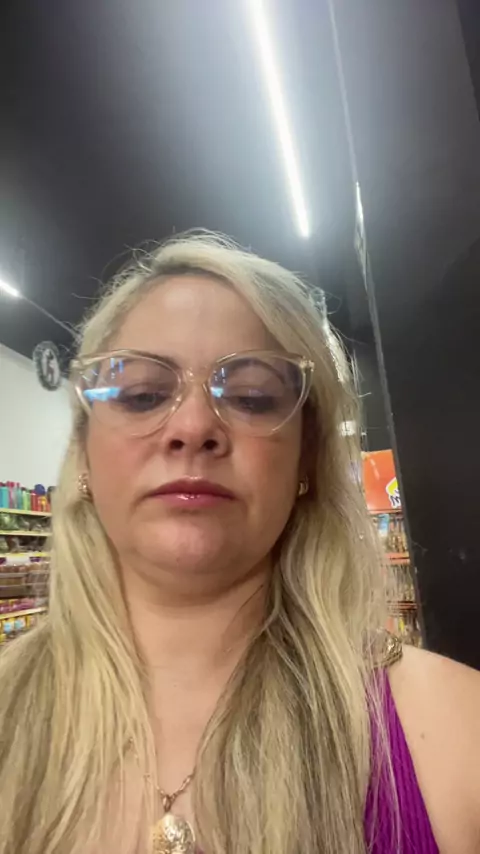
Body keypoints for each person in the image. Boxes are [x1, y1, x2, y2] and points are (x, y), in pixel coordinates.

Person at [0, 232, 479, 854]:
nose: (193, 425)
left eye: (251, 398)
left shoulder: (458, 734)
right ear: (84, 454)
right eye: (143, 395)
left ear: (306, 459)